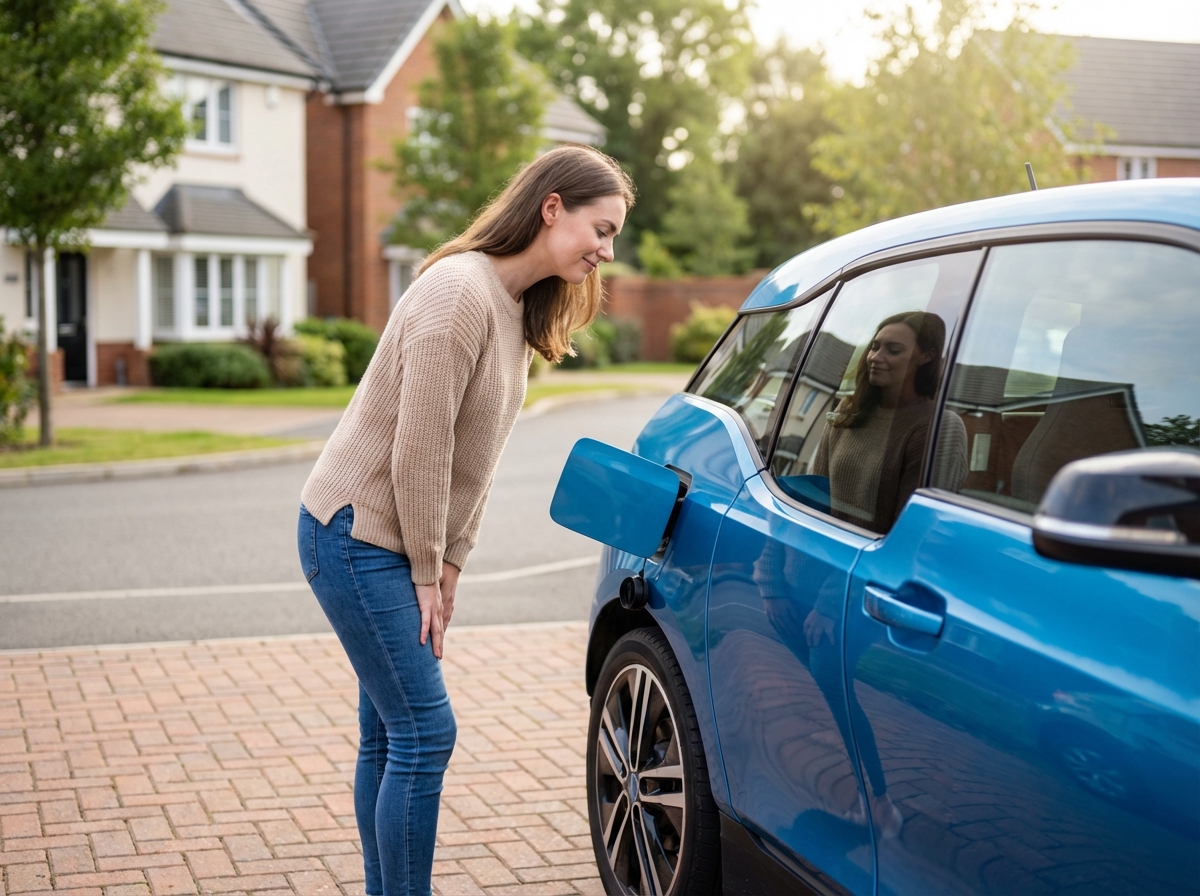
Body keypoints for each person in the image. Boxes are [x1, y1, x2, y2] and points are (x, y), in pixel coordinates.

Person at [296, 145, 635, 896]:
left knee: (391, 732)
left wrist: (451, 565)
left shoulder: (513, 308)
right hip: (354, 534)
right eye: (600, 229)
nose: (606, 251)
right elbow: (421, 449)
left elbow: (475, 460)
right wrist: (424, 568)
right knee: (425, 732)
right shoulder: (458, 292)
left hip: (392, 541)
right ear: (552, 208)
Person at [813, 310, 966, 533]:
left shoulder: (938, 428)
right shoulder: (849, 410)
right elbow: (814, 496)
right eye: (875, 347)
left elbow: (915, 531)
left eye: (893, 350)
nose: (875, 357)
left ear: (927, 356)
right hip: (821, 553)